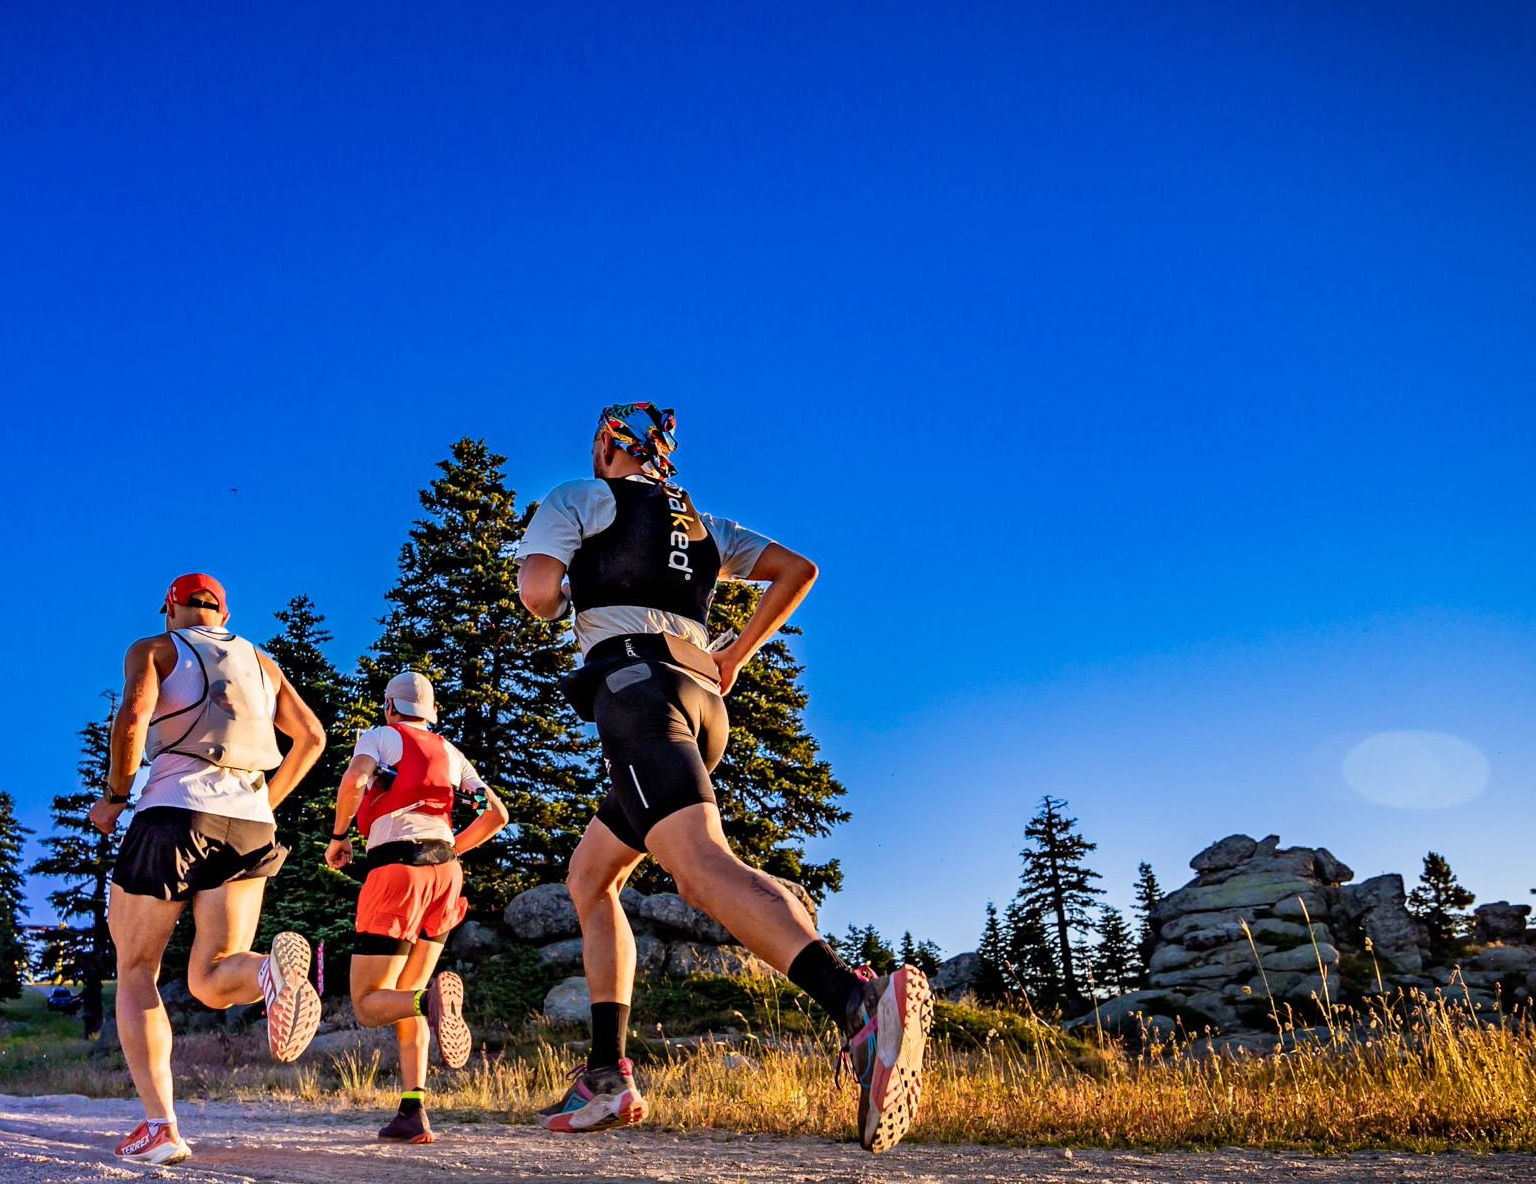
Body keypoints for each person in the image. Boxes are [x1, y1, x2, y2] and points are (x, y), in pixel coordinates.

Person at [513, 403, 931, 1154]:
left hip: (635, 689)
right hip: (700, 703)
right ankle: (606, 1074)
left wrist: (569, 589)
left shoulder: (576, 497)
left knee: (701, 870)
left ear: (610, 445)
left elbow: (539, 592)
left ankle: (858, 1004)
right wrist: (735, 655)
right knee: (590, 875)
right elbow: (796, 570)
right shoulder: (703, 524)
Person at [86, 573, 330, 1166]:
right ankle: (272, 973)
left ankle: (161, 1127)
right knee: (212, 978)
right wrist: (265, 803)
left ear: (173, 608)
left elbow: (133, 717)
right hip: (248, 823)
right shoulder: (262, 662)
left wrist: (116, 796)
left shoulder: (156, 648)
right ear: (222, 613)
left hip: (173, 812)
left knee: (137, 966)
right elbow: (313, 738)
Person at [321, 670, 509, 1143]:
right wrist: (450, 850)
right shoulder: (451, 752)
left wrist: (339, 835)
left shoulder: (382, 737)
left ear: (390, 707)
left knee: (368, 1004)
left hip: (396, 873)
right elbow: (498, 815)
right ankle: (413, 1112)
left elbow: (354, 781)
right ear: (432, 713)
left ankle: (429, 1001)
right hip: (445, 876)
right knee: (406, 995)